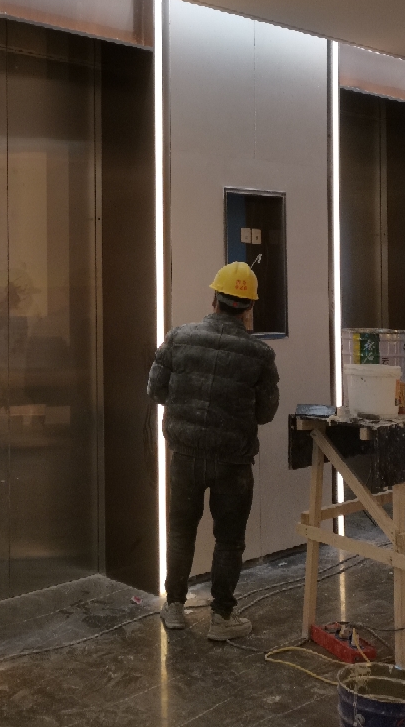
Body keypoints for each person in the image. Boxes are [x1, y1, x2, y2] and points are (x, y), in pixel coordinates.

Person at [147, 262, 279, 641]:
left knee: (180, 531)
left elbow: (155, 390)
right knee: (229, 539)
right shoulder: (259, 354)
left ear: (214, 299)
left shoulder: (179, 337)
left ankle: (175, 607)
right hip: (233, 462)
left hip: (185, 456)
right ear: (249, 308)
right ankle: (221, 618)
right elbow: (266, 412)